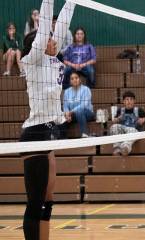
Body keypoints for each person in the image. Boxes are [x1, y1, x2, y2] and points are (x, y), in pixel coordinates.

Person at [20, 0, 75, 239]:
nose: (54, 39)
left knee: (47, 200)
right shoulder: (32, 62)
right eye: (49, 38)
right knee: (36, 202)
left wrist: (72, 1)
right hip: (35, 134)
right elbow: (44, 31)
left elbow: (61, 25)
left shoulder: (53, 60)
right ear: (39, 46)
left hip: (50, 133)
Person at [109, 91, 145, 156]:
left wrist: (143, 119)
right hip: (123, 131)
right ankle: (117, 148)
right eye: (127, 99)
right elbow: (114, 121)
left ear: (134, 101)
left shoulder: (138, 110)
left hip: (133, 130)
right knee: (114, 127)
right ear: (123, 101)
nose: (129, 101)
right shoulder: (120, 110)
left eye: (131, 99)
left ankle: (126, 148)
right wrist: (117, 119)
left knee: (132, 131)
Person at [63, 71, 95, 138]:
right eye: (72, 79)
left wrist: (71, 112)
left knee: (79, 111)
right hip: (72, 115)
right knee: (62, 116)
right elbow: (65, 106)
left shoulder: (86, 89)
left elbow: (84, 105)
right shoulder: (66, 92)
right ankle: (61, 138)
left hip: (87, 113)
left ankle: (84, 134)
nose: (74, 80)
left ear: (80, 79)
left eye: (76, 78)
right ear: (70, 81)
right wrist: (67, 113)